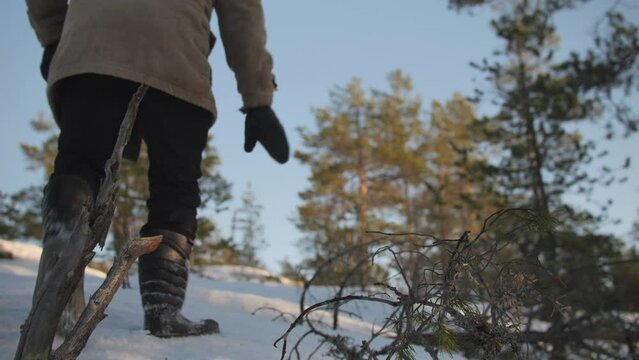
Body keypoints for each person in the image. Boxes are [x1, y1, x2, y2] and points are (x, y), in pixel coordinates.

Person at [25, 0, 289, 338]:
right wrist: (258, 98)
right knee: (174, 189)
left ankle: (65, 236)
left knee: (81, 165)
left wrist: (54, 36)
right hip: (176, 54)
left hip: (92, 42)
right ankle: (163, 311)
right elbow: (242, 13)